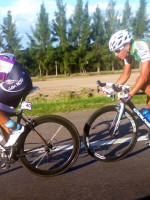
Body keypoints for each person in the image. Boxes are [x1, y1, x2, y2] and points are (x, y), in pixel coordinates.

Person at [103, 29, 150, 120]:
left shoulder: (141, 47)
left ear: (126, 46)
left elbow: (143, 78)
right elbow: (126, 74)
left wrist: (129, 95)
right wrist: (112, 88)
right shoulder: (127, 53)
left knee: (140, 81)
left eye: (117, 51)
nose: (116, 55)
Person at [0, 53, 32, 148]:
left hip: (19, 80)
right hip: (18, 79)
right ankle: (10, 151)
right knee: (2, 117)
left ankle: (17, 128)